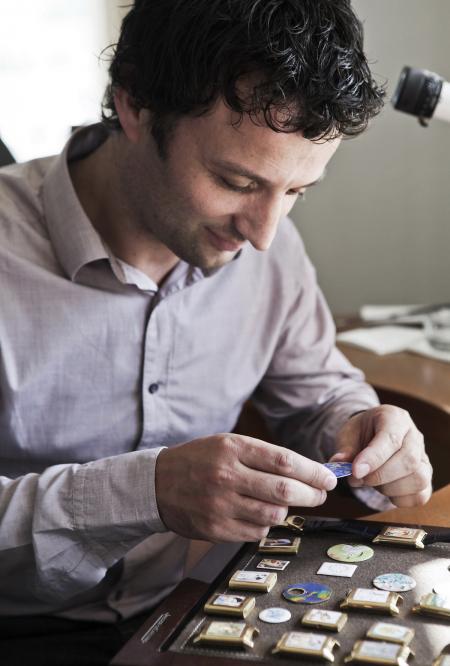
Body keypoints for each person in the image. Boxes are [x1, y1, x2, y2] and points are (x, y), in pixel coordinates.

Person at [0, 0, 433, 663]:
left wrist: (361, 426)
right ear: (135, 108)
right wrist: (140, 493)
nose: (264, 234)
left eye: (296, 194)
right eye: (236, 181)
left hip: (186, 610)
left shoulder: (267, 246)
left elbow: (320, 394)